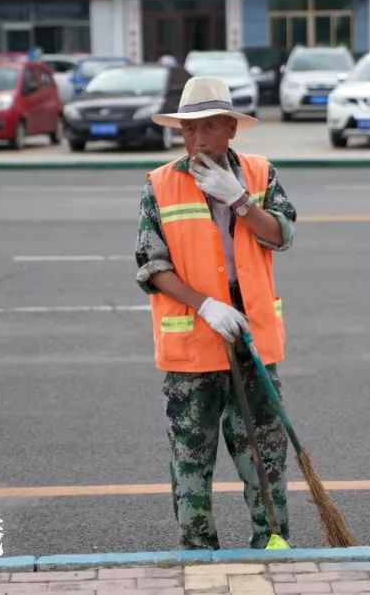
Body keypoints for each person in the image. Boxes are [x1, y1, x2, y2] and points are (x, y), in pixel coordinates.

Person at [134, 76, 297, 550]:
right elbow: (151, 264)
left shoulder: (260, 174)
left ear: (231, 129)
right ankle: (198, 551)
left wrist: (241, 201)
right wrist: (205, 305)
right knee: (191, 455)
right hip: (194, 334)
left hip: (252, 334)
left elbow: (282, 235)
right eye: (189, 130)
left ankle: (272, 543)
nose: (197, 140)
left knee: (264, 452)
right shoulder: (160, 185)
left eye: (208, 128)